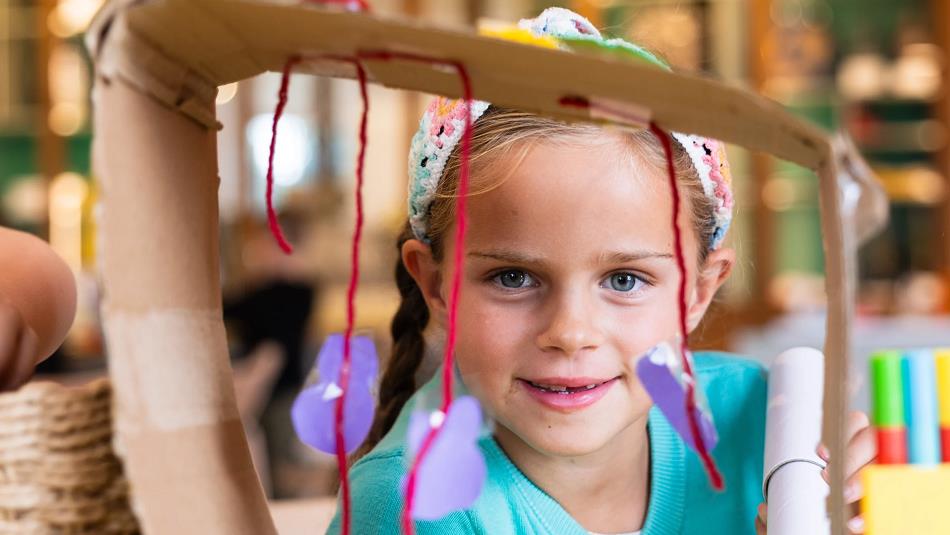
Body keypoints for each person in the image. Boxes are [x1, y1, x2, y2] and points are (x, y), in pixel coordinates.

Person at [327, 8, 874, 535]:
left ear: (698, 291)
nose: (569, 332)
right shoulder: (415, 507)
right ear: (435, 283)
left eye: (625, 280)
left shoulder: (761, 421)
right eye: (513, 277)